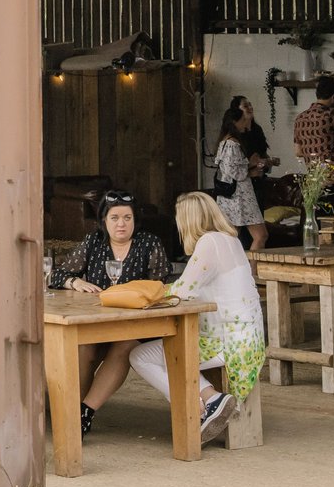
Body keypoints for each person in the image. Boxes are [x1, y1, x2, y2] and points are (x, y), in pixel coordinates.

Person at [77, 192, 262, 442]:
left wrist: (141, 292)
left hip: (227, 341)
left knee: (141, 355)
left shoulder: (209, 243)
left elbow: (183, 290)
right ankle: (209, 398)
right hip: (247, 337)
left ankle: (202, 404)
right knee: (150, 352)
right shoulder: (230, 240)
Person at [48, 190, 174, 432]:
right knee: (83, 347)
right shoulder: (94, 241)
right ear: (104, 221)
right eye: (115, 218)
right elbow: (58, 273)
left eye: (127, 217)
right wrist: (75, 282)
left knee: (125, 347)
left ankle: (85, 412)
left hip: (137, 325)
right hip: (98, 321)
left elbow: (162, 285)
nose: (121, 224)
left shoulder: (149, 244)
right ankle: (72, 412)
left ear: (135, 220)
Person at [211, 100, 270, 250]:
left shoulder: (225, 142)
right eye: (243, 121)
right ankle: (253, 270)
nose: (246, 124)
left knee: (233, 236)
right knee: (259, 235)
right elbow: (234, 172)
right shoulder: (232, 144)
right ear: (235, 122)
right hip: (240, 196)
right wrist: (251, 169)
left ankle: (236, 269)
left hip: (234, 196)